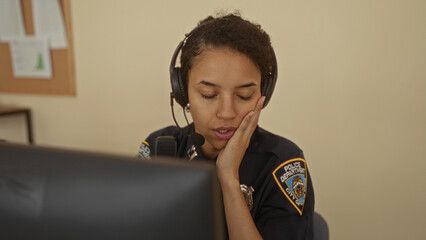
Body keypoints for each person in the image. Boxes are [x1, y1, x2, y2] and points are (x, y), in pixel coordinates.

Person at [137, 13, 314, 240]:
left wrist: (229, 178)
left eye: (244, 95)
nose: (227, 113)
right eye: (208, 95)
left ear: (263, 94)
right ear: (183, 92)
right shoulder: (159, 149)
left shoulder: (283, 164)